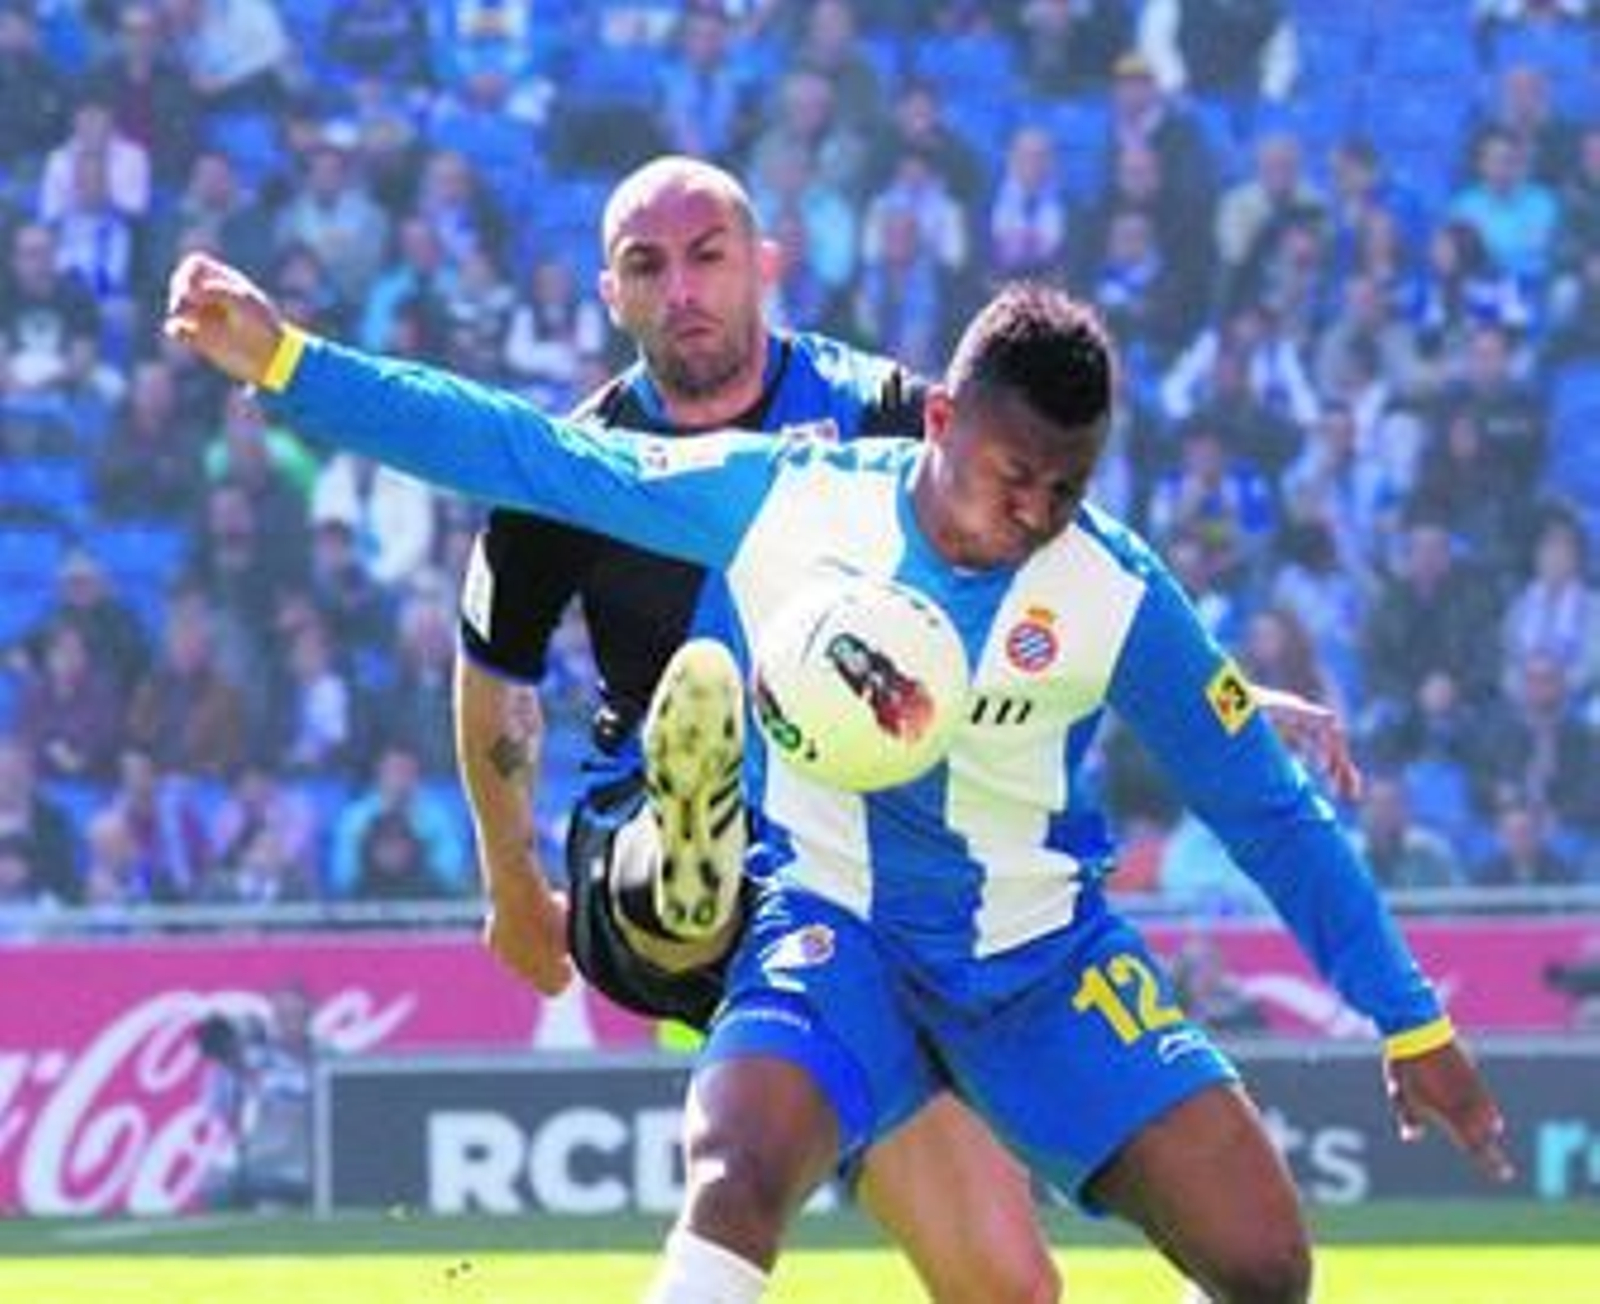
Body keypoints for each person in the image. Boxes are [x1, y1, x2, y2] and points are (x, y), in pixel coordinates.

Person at [166, 251, 1510, 1304]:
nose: (1030, 515)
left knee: (1268, 1267)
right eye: (1007, 476)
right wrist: (289, 362)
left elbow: (1269, 809)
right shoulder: (791, 502)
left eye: (1064, 487)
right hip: (833, 925)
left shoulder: (1113, 592)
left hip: (1038, 957)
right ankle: (663, 865)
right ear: (938, 419)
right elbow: (534, 453)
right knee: (740, 1168)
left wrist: (1411, 1022)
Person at [449, 157, 1360, 1301]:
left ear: (764, 266)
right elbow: (495, 681)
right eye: (647, 265)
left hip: (857, 893)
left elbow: (1058, 556)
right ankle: (691, 850)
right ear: (610, 295)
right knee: (687, 875)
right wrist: (509, 880)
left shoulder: (887, 411)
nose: (681, 287)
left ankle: (718, 859)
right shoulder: (568, 474)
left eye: (707, 256)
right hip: (667, 835)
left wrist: (1209, 694)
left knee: (1008, 1284)